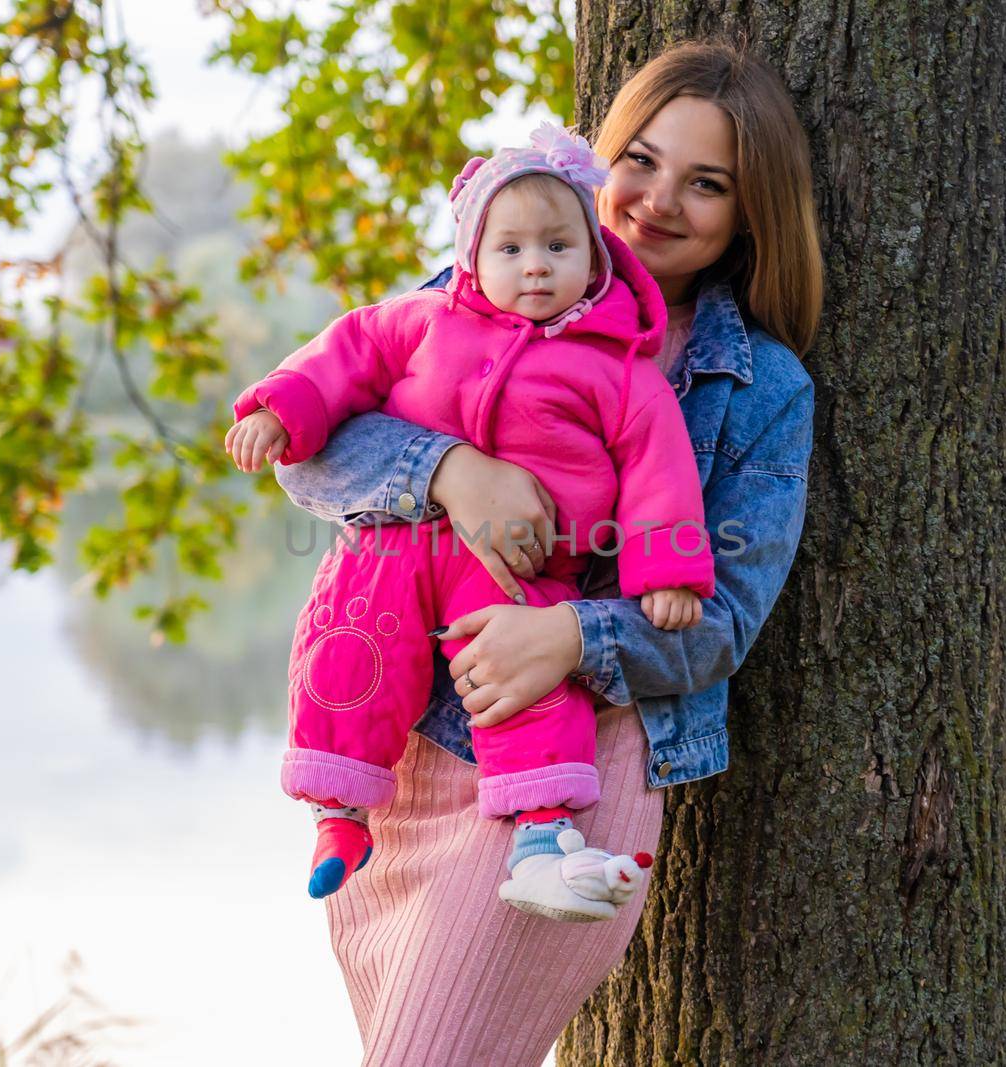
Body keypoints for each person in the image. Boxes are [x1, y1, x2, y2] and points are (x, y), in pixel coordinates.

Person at [274, 40, 821, 1067]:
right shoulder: (479, 283)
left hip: (573, 768)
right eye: (643, 161)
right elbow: (308, 455)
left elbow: (723, 619)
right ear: (601, 158)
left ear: (750, 215)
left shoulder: (760, 386)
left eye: (707, 184)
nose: (659, 201)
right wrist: (449, 472)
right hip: (409, 739)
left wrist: (568, 633)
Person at [225, 124, 714, 920]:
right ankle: (339, 809)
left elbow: (661, 471)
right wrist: (282, 409)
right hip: (398, 539)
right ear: (472, 258)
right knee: (355, 634)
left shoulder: (617, 370)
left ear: (594, 257)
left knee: (525, 680)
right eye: (511, 249)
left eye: (558, 247)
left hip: (521, 565)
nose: (534, 267)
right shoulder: (429, 320)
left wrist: (667, 571)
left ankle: (543, 837)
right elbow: (344, 355)